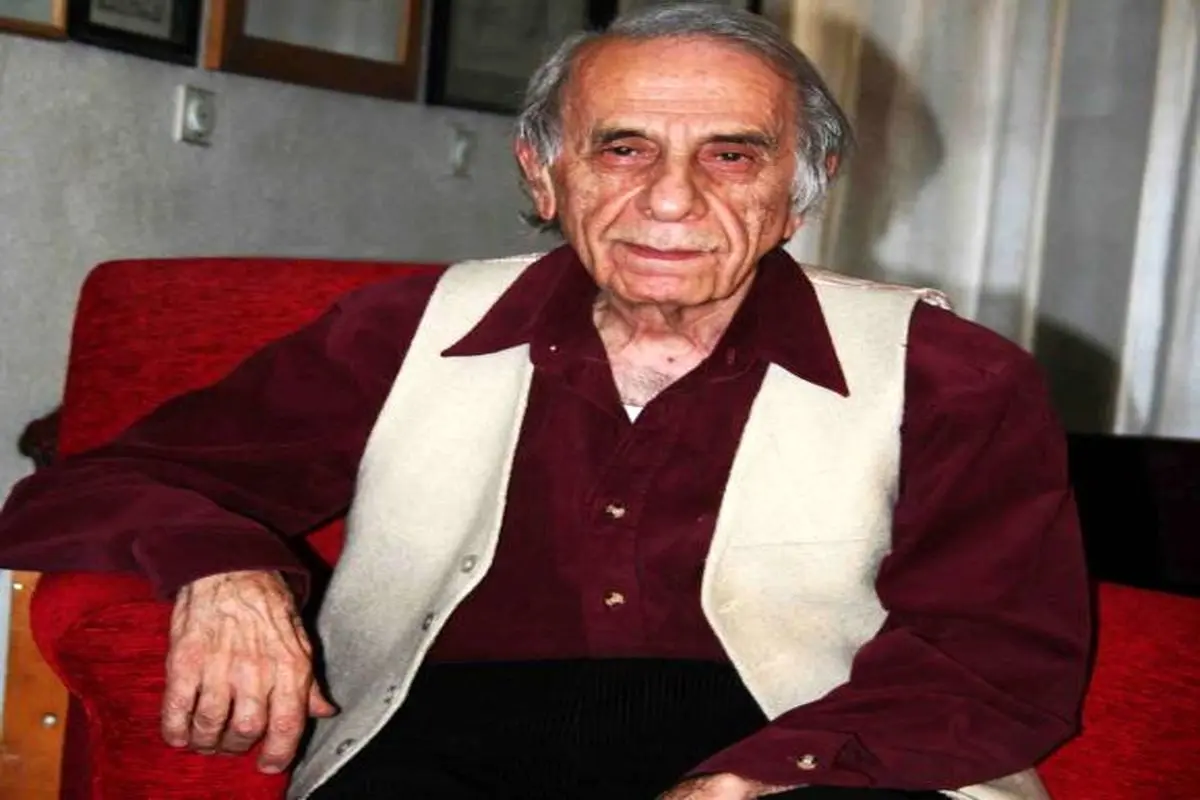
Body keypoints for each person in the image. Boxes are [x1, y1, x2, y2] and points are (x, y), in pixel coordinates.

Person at [0, 5, 1090, 800]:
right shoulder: (404, 332)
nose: (672, 199)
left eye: (731, 155)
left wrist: (759, 777)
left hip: (804, 749)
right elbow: (96, 483)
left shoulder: (950, 374)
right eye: (623, 148)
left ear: (800, 190)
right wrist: (224, 567)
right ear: (543, 172)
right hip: (434, 751)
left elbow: (992, 651)